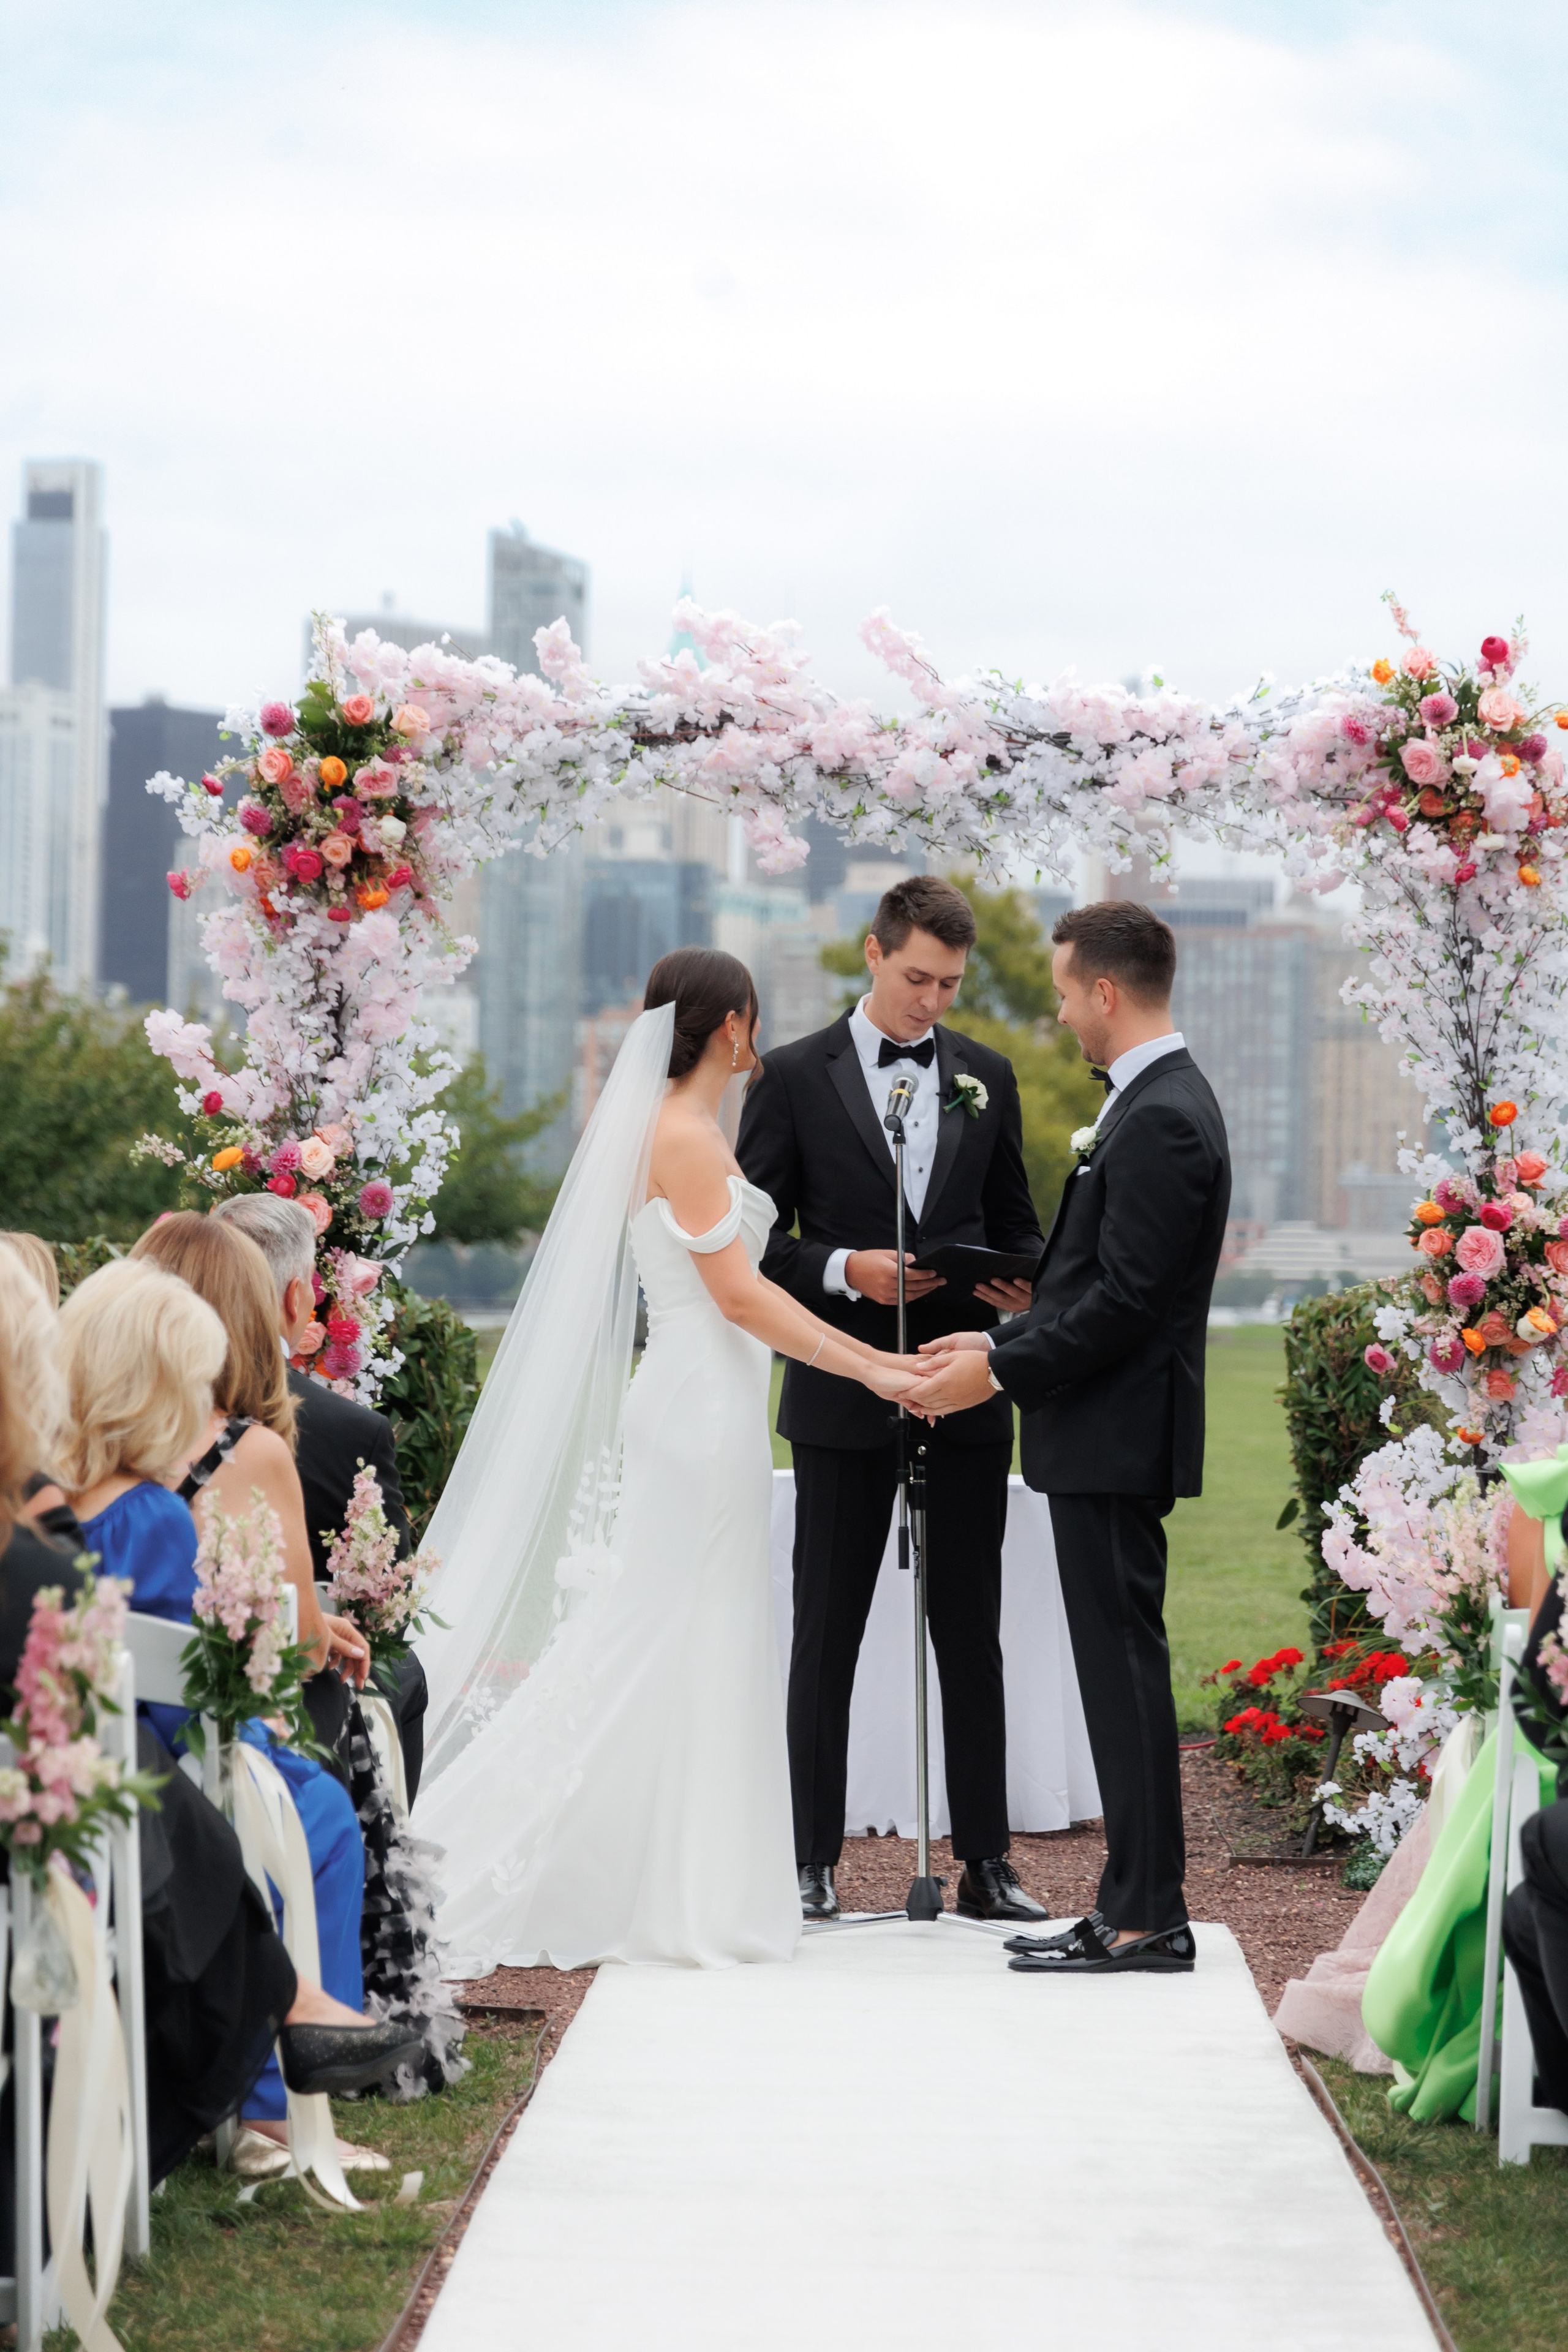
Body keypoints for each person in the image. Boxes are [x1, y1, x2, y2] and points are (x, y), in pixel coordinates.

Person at [413, 948, 922, 1972]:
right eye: (755, 1017)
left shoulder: (678, 1130)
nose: (761, 1034)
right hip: (700, 1403)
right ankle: (661, 1885)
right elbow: (738, 1296)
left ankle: (684, 1873)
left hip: (707, 1397)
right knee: (678, 1627)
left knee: (696, 1630)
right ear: (730, 1026)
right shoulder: (684, 1136)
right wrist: (872, 1365)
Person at [0, 1248, 418, 2197]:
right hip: (146, 1769)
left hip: (112, 1762)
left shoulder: (56, 1500)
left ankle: (281, 2050)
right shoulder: (149, 1514)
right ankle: (280, 2088)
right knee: (314, 1811)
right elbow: (183, 1682)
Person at [911, 899, 1230, 1974]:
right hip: (1100, 1432)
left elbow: (1132, 1303)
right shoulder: (1148, 1108)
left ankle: (1145, 1917)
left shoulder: (1165, 1117)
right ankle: (1133, 1905)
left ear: (1104, 990)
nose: (1057, 1016)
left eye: (1060, 993)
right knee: (1115, 1669)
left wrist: (997, 1368)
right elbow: (1100, 1285)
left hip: (1115, 1437)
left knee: (1124, 1671)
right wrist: (1013, 1317)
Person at [736, 875, 1049, 1924]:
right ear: (873, 955)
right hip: (837, 1391)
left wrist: (1012, 1295)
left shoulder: (987, 1078)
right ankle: (805, 1857)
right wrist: (843, 1271)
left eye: (950, 984)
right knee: (827, 1626)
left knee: (972, 1630)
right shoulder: (788, 1078)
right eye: (917, 978)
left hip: (963, 1392)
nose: (932, 1002)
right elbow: (754, 1246)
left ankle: (989, 1863)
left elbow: (1021, 1227)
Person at [210, 1190, 427, 1802]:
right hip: (300, 1690)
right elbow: (388, 1608)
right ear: (295, 1296)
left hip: (180, 1676)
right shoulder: (351, 1431)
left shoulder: (146, 1417)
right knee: (402, 1672)